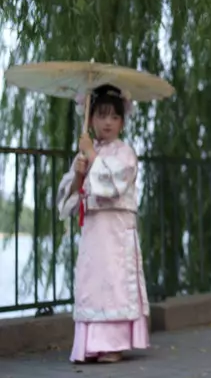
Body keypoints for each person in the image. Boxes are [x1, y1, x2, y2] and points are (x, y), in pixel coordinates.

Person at [57, 84, 150, 363]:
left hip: (116, 229)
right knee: (92, 282)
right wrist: (77, 174)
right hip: (94, 230)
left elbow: (115, 183)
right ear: (90, 118)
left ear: (122, 122)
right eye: (101, 115)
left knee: (114, 281)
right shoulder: (86, 154)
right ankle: (90, 345)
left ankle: (113, 345)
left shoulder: (125, 153)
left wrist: (93, 156)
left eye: (113, 117)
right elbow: (69, 198)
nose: (107, 122)